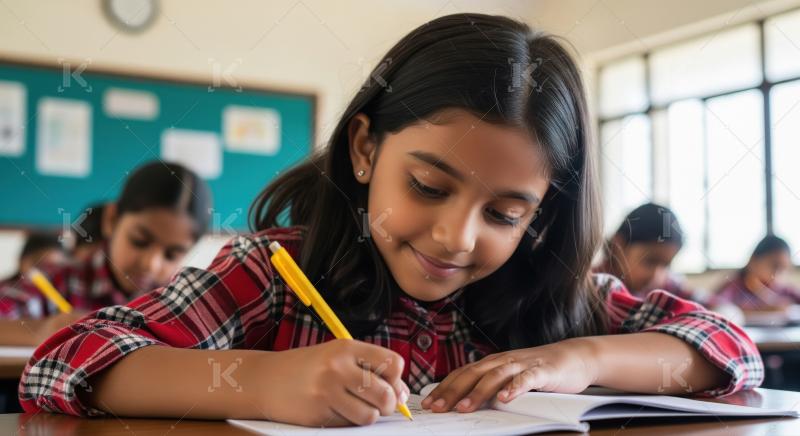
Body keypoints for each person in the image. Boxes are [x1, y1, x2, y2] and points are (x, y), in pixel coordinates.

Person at [20, 14, 761, 427]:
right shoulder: (275, 275)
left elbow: (729, 348)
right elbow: (65, 361)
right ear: (367, 147)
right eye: (429, 184)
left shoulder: (554, 298)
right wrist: (259, 382)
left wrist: (577, 361)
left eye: (505, 212)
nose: (455, 237)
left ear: (542, 216)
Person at [0, 161, 212, 345]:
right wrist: (45, 329)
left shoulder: (181, 304)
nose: (151, 264)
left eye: (171, 255)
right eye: (139, 241)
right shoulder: (58, 278)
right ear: (111, 219)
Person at [596, 203, 695, 300]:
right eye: (650, 261)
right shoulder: (594, 287)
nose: (656, 276)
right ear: (619, 245)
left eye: (666, 266)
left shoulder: (664, 285)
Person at [709, 235, 799, 312]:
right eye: (774, 265)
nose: (777, 273)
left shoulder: (783, 289)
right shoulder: (734, 287)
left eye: (783, 268)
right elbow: (715, 308)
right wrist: (763, 309)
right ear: (753, 261)